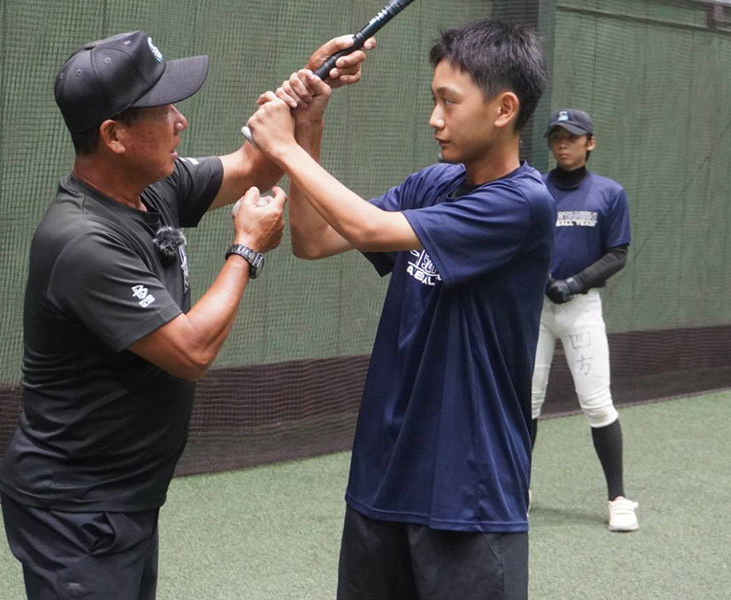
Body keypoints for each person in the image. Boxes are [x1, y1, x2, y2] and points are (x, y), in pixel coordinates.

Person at [0, 30, 371, 600]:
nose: (181, 122)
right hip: (73, 508)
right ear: (114, 135)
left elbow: (253, 165)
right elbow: (191, 351)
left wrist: (309, 88)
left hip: (121, 497)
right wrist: (245, 249)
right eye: (164, 109)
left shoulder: (152, 188)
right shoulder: (82, 242)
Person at [250, 19, 551, 600]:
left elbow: (366, 224)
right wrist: (310, 123)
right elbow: (314, 238)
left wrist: (282, 144)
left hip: (470, 498)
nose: (434, 117)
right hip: (382, 482)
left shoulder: (523, 204)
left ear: (504, 108)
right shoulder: (434, 184)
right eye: (432, 99)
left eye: (448, 102)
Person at [531, 108, 638, 532]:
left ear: (589, 142)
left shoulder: (610, 194)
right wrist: (545, 281)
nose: (563, 144)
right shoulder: (533, 189)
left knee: (597, 403)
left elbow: (617, 254)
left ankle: (618, 499)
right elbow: (518, 243)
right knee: (526, 403)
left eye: (572, 138)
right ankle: (516, 491)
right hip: (535, 310)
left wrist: (574, 284)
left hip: (582, 309)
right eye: (557, 137)